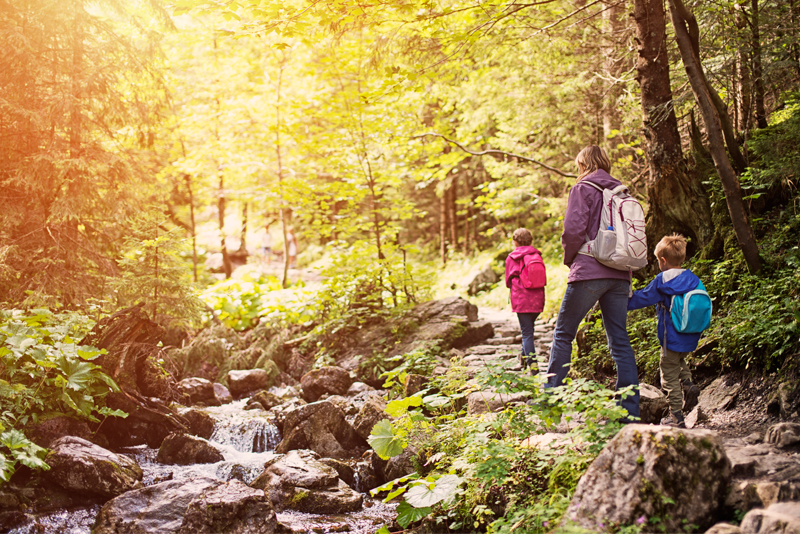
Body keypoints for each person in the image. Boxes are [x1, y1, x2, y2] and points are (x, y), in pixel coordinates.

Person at [544, 145, 640, 420]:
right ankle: (629, 412)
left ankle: (552, 405)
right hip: (621, 273)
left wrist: (570, 259)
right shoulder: (623, 192)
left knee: (563, 334)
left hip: (589, 270)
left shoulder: (583, 187)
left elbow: (573, 230)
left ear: (583, 164)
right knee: (620, 340)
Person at [627, 234, 702, 428]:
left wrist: (621, 301)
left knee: (668, 373)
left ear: (662, 261)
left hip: (671, 337)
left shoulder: (662, 281)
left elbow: (642, 298)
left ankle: (676, 416)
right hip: (691, 335)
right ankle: (688, 383)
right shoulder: (691, 278)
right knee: (678, 359)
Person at [504, 228, 545, 371]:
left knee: (527, 333)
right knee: (529, 330)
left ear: (515, 241)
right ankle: (523, 361)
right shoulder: (537, 255)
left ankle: (533, 367)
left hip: (521, 300)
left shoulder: (512, 257)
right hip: (538, 299)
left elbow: (507, 282)